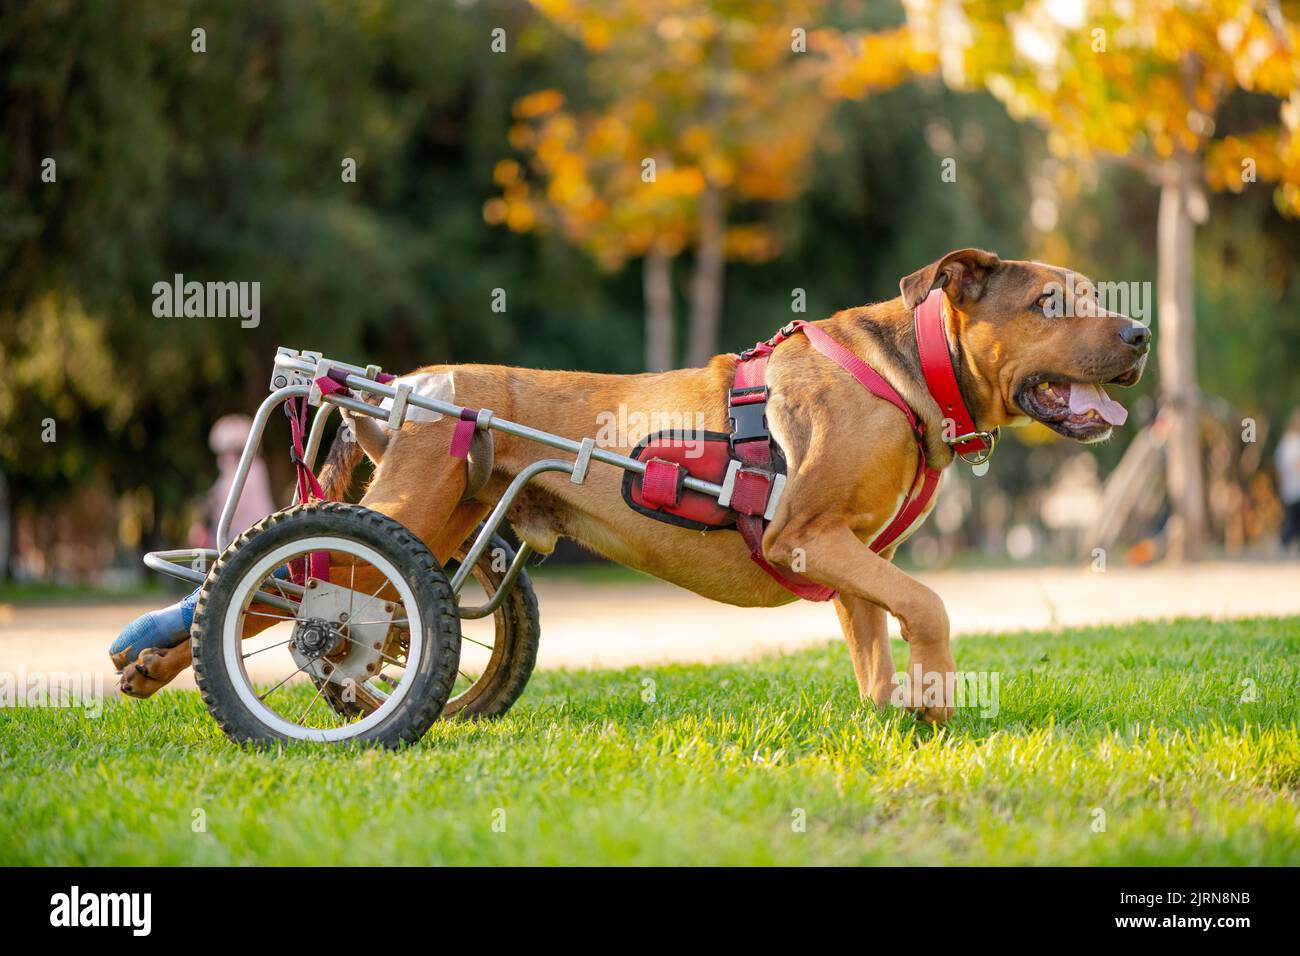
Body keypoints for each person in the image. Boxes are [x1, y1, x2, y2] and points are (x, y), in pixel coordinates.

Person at [109, 416, 278, 675]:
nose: (225, 458)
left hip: (251, 544)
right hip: (242, 540)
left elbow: (225, 498)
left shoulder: (249, 471)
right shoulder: (249, 469)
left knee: (217, 573)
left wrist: (206, 505)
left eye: (230, 452)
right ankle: (193, 606)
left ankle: (190, 612)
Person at [1277, 409, 1300, 554]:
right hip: (1296, 488)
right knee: (1294, 521)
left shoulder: (1285, 443)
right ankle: (1283, 542)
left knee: (1294, 520)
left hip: (1290, 488)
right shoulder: (1293, 443)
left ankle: (1284, 543)